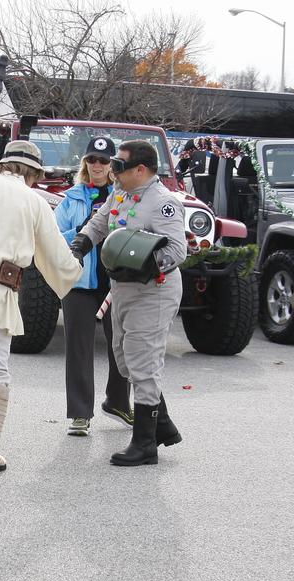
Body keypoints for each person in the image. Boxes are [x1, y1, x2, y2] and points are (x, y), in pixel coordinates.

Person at [0, 140, 82, 473]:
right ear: (33, 172)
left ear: (4, 163)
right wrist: (77, 268)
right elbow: (57, 258)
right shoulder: (34, 200)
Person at [70, 140, 186, 466]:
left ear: (140, 169)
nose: (112, 170)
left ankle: (145, 444)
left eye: (119, 165)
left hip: (153, 291)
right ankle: (162, 423)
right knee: (123, 359)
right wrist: (81, 243)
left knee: (142, 362)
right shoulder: (119, 193)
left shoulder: (163, 203)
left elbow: (177, 251)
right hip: (121, 288)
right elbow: (100, 221)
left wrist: (144, 266)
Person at [54, 137, 134, 437]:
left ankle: (118, 402)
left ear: (113, 165)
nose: (97, 165)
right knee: (78, 348)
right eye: (92, 159)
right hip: (79, 283)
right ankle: (79, 414)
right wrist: (80, 230)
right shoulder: (72, 198)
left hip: (116, 282)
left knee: (122, 347)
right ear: (84, 163)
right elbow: (53, 235)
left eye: (103, 160)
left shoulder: (125, 196)